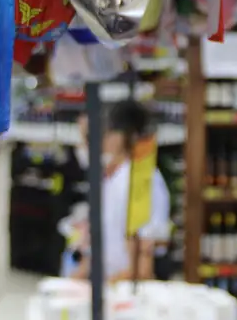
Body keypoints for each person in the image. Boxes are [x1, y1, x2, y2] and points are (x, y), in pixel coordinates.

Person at [68, 99, 172, 282]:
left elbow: (142, 269)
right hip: (107, 285)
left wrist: (103, 290)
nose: (87, 146)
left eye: (90, 138)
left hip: (124, 292)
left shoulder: (142, 182)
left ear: (119, 137)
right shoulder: (109, 180)